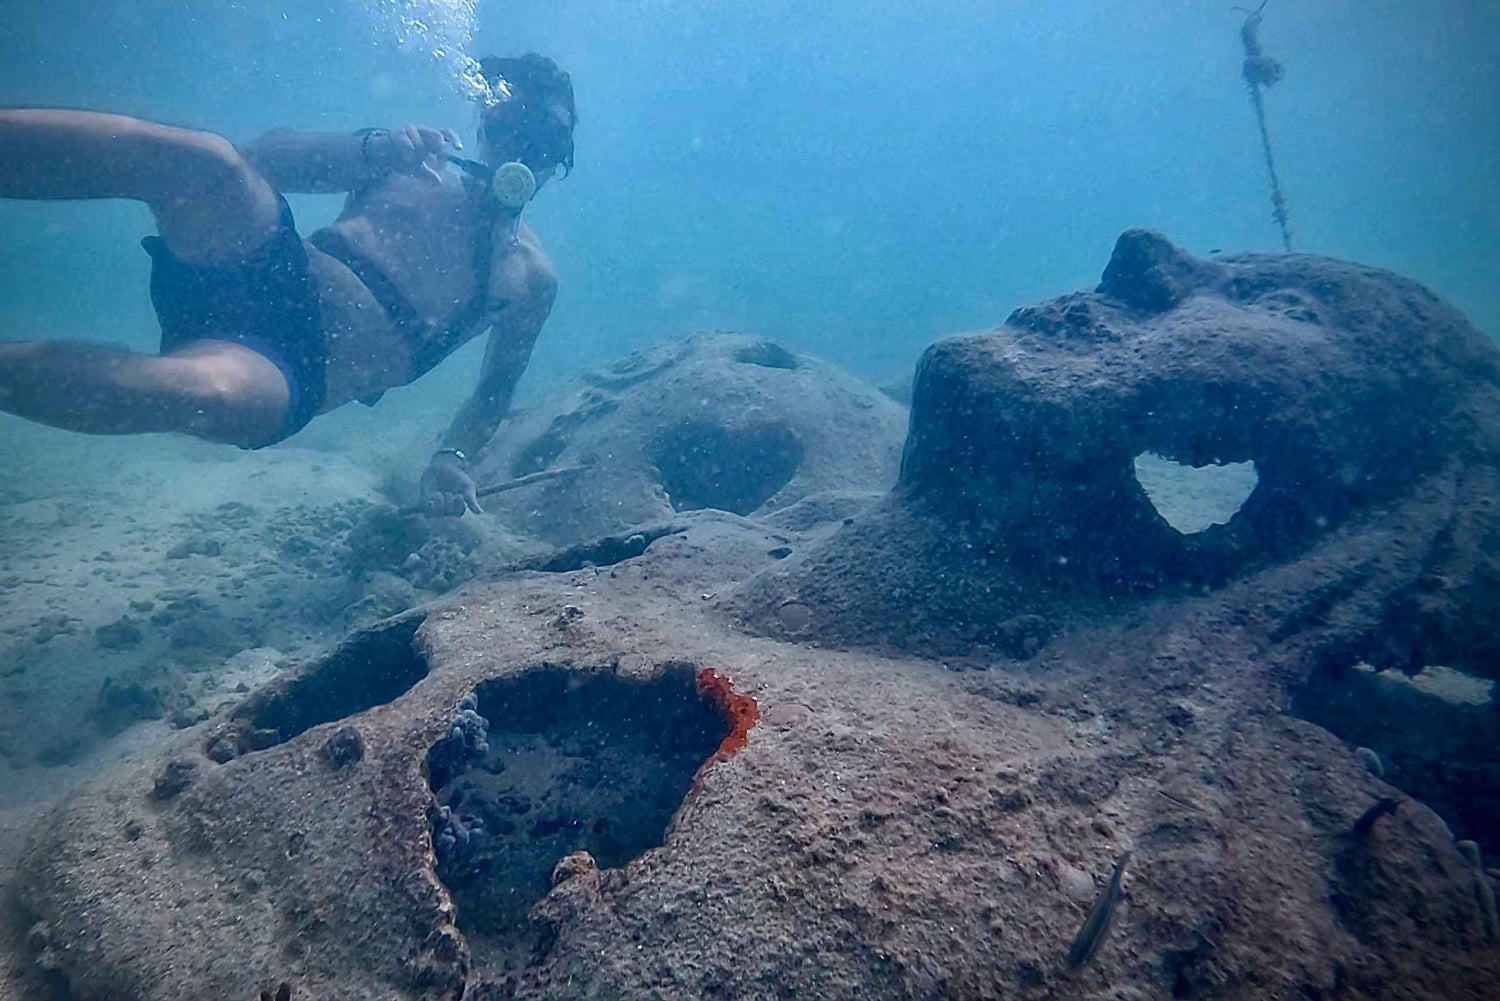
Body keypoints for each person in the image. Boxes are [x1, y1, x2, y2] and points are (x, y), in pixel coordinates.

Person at [0, 53, 575, 516]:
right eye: (513, 127)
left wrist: (450, 459)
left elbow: (493, 395)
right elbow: (259, 161)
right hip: (266, 262)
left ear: (559, 162)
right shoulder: (416, 163)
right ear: (487, 124)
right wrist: (369, 149)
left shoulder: (530, 278)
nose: (524, 151)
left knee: (203, 393)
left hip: (293, 367)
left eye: (546, 142)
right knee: (207, 162)